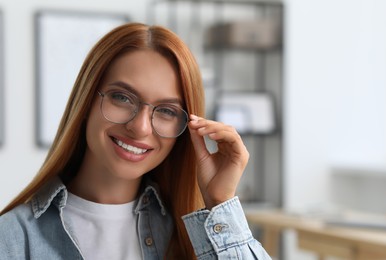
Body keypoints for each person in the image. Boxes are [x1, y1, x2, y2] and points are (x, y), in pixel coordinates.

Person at [0, 22, 271, 260]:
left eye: (166, 111)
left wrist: (219, 201)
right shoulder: (11, 238)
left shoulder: (198, 238)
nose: (140, 127)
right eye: (122, 97)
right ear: (85, 103)